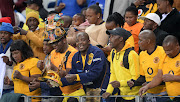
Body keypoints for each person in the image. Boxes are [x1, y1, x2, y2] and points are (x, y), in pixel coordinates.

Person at [60, 32, 107, 102]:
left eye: (83, 40)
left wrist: (76, 77)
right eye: (77, 41)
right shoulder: (76, 56)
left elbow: (95, 74)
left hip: (102, 90)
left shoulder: (97, 53)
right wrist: (58, 82)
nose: (80, 43)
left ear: (88, 41)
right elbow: (72, 74)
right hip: (88, 91)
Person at [127, 30, 168, 102]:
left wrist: (149, 84)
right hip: (149, 94)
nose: (138, 43)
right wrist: (134, 82)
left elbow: (166, 76)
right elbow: (143, 77)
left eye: (140, 40)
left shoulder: (163, 52)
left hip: (163, 94)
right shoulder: (142, 54)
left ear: (148, 41)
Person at [102, 28, 140, 101]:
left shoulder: (132, 54)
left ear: (120, 39)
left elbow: (135, 78)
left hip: (135, 96)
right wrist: (109, 91)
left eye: (112, 36)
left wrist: (120, 84)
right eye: (110, 36)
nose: (110, 39)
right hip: (122, 95)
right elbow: (113, 73)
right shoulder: (113, 52)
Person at [139, 35, 180, 101]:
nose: (167, 53)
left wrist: (174, 78)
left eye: (169, 50)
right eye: (165, 50)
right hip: (172, 97)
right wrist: (147, 86)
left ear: (177, 46)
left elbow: (172, 78)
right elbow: (159, 76)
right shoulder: (165, 57)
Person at [0, 22, 14, 95]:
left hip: (11, 86)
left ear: (11, 35)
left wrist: (9, 62)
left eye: (5, 33)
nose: (2, 35)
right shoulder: (0, 47)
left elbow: (21, 63)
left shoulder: (15, 47)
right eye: (1, 33)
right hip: (1, 87)